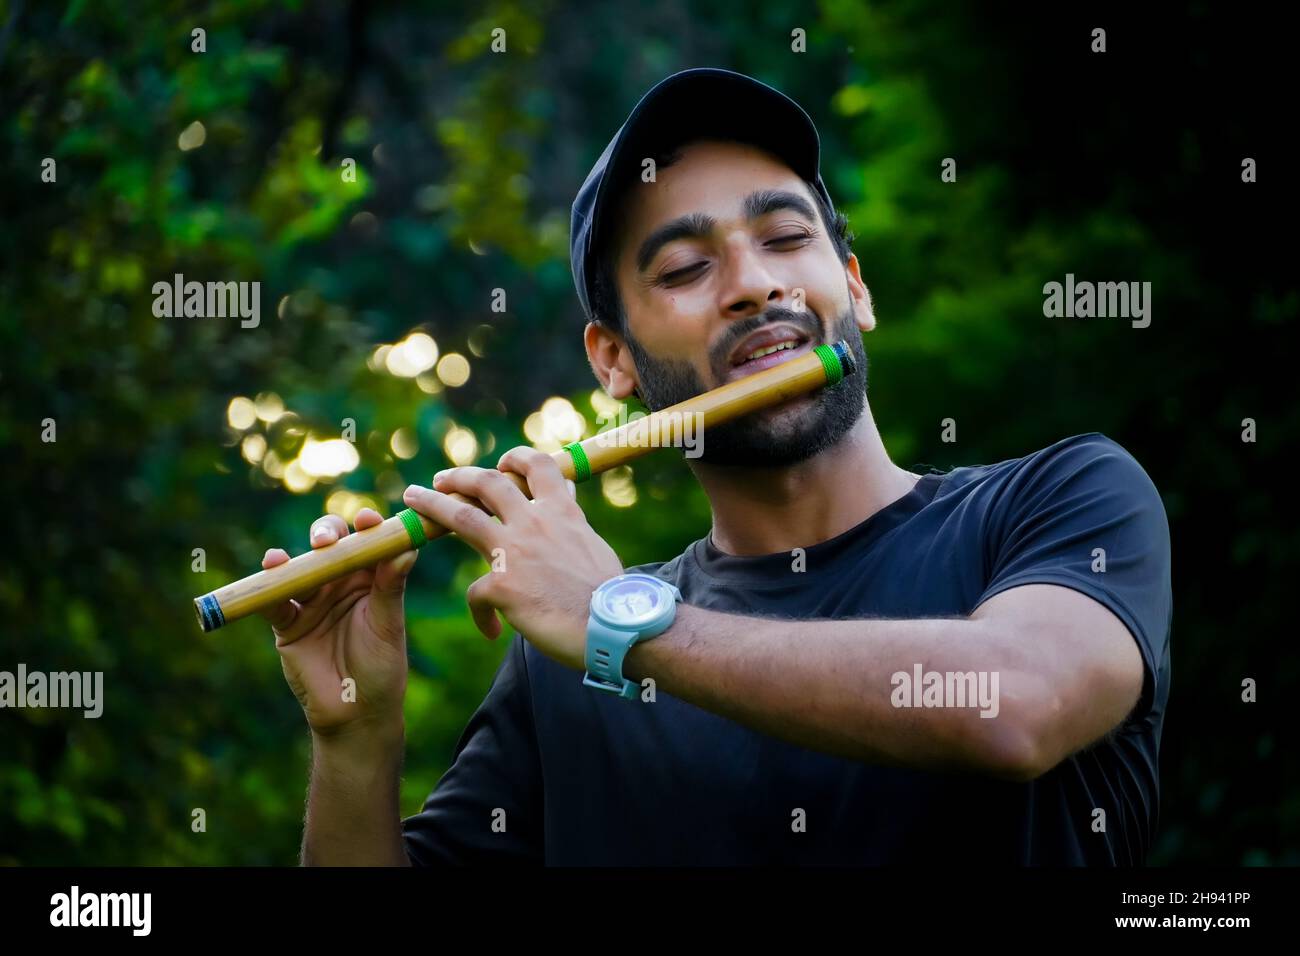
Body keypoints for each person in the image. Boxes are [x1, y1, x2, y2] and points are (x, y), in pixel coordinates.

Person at [260, 68, 1171, 865]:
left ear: (852, 285)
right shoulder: (560, 666)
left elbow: (1013, 707)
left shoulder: (1062, 500)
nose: (754, 283)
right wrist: (355, 739)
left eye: (784, 239)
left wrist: (620, 623)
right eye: (687, 266)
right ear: (613, 362)